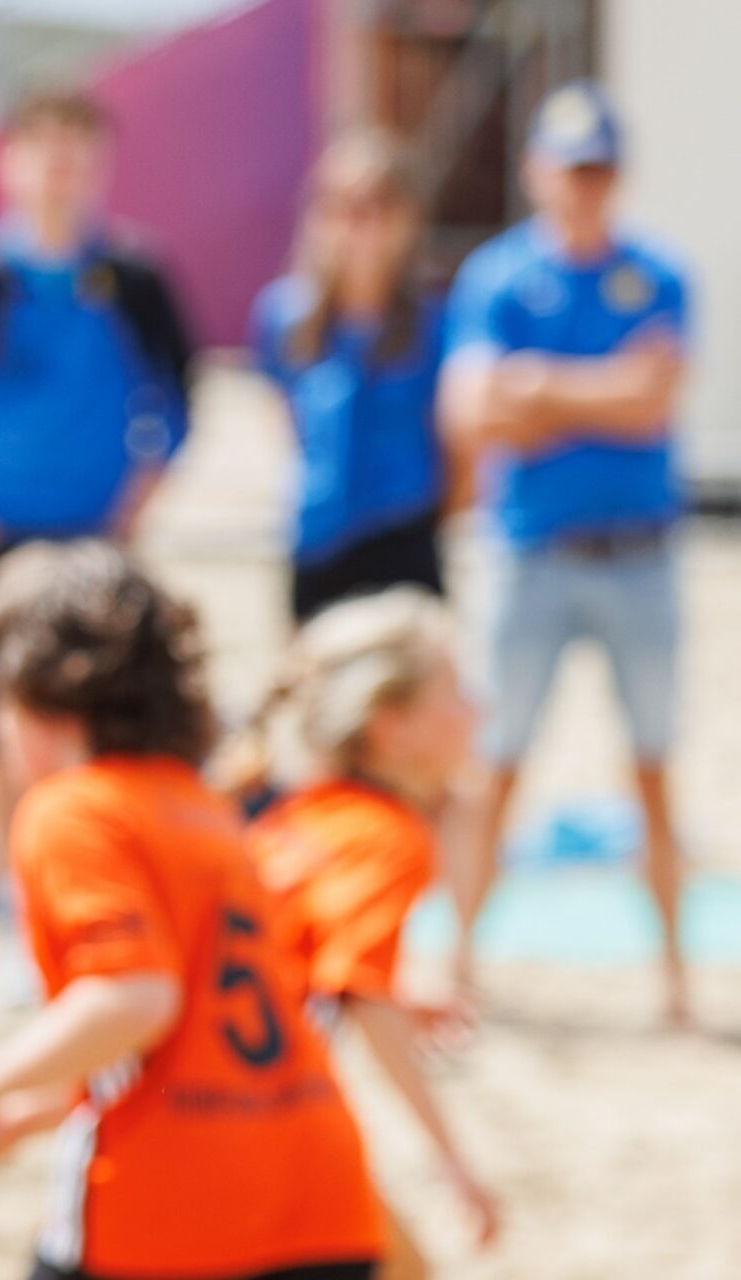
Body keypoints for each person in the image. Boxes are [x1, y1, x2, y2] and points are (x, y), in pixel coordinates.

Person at [0, 540, 382, 1280]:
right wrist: (20, 1119)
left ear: (39, 703)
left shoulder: (70, 808)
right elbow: (189, 1046)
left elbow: (136, 996)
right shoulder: (199, 806)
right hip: (323, 1198)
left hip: (178, 1215)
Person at [438, 81, 693, 1022]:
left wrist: (537, 388)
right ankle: (461, 961)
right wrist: (602, 392)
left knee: (656, 769)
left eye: (597, 171)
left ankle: (673, 979)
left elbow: (654, 400)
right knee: (496, 765)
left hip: (638, 556)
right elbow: (470, 414)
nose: (582, 188)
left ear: (613, 177)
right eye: (569, 169)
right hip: (532, 553)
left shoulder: (658, 274)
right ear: (537, 172)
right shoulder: (500, 277)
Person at [0, 89, 195, 895]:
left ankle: (88, 883)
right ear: (11, 162)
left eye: (78, 150)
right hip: (3, 546)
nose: (61, 169)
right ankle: (10, 905)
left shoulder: (134, 278)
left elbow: (177, 407)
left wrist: (135, 507)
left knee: (102, 716)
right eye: (45, 149)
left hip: (98, 545)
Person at [243, 589, 500, 1265]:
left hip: (212, 1091)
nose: (479, 710)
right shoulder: (389, 838)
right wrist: (452, 1160)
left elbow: (291, 958)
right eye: (455, 690)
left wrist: (398, 993)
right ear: (394, 728)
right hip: (261, 1106)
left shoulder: (298, 814)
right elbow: (358, 988)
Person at [252, 132, 446, 623]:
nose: (363, 225)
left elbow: (459, 447)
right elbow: (290, 424)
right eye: (345, 207)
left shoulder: (434, 320)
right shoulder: (284, 317)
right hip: (318, 535)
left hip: (402, 533)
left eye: (380, 206)